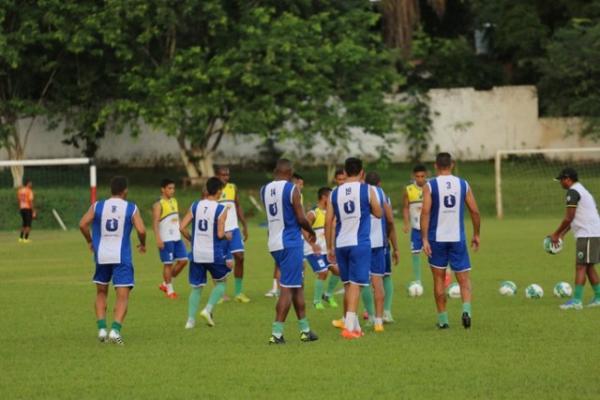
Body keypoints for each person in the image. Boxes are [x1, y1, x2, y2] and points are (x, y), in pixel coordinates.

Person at [79, 176, 146, 345]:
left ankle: (102, 328)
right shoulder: (131, 208)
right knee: (122, 296)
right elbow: (142, 230)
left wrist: (89, 241)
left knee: (101, 292)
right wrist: (142, 243)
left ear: (111, 190)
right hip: (121, 257)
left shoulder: (98, 206)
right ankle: (115, 330)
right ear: (125, 191)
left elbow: (82, 224)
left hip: (101, 255)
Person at [261, 159, 318, 344]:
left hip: (274, 242)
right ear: (290, 172)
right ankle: (276, 334)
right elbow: (301, 218)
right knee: (287, 288)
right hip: (290, 242)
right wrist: (311, 231)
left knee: (297, 285)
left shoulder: (265, 189)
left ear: (276, 171)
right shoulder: (292, 189)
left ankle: (305, 329)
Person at [421, 153, 480, 329]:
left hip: (436, 239)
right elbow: (475, 211)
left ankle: (443, 320)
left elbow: (425, 212)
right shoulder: (463, 184)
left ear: (435, 166)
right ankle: (466, 311)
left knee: (438, 280)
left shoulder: (430, 185)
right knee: (463, 278)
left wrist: (424, 238)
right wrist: (476, 234)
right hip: (457, 238)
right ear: (452, 165)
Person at [325, 157, 382, 339]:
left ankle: (355, 326)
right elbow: (379, 212)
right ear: (362, 172)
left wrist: (329, 247)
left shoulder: (334, 193)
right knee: (357, 284)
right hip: (359, 242)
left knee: (348, 284)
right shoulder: (367, 189)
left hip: (341, 243)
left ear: (345, 171)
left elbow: (328, 221)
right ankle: (349, 327)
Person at [181, 177, 232, 328]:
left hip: (196, 253)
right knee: (222, 282)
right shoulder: (221, 209)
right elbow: (220, 234)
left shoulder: (195, 205)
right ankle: (208, 309)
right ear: (218, 191)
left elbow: (182, 227)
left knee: (196, 287)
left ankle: (190, 321)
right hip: (213, 253)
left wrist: (192, 239)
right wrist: (227, 235)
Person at [549, 168, 600, 309]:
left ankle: (576, 301)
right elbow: (575, 218)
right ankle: (598, 297)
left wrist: (555, 234)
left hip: (587, 234)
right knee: (588, 266)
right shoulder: (580, 189)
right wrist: (562, 235)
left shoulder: (573, 192)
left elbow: (569, 217)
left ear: (567, 179)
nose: (560, 183)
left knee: (580, 266)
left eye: (561, 180)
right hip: (592, 233)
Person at [216, 166, 250, 303]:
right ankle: (220, 293)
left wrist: (245, 225)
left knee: (240, 257)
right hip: (219, 231)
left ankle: (238, 292)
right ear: (217, 175)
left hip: (234, 229)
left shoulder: (232, 188)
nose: (226, 177)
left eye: (227, 175)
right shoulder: (211, 189)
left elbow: (238, 205)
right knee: (219, 262)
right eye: (223, 175)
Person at [304, 187, 340, 310]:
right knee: (323, 272)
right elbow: (303, 228)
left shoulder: (331, 213)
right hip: (313, 251)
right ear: (324, 197)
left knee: (338, 271)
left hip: (327, 250)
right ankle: (316, 301)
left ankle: (328, 295)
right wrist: (312, 245)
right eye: (330, 196)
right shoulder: (313, 213)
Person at [152, 178, 188, 299]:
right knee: (168, 264)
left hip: (177, 238)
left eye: (173, 188)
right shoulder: (158, 204)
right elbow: (155, 223)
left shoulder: (174, 201)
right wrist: (158, 238)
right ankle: (170, 290)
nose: (172, 190)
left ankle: (164, 284)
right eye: (169, 188)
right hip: (166, 239)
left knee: (184, 261)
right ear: (163, 189)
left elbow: (177, 220)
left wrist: (184, 236)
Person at [17, 179, 35, 243]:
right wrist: (33, 211)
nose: (31, 184)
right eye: (30, 183)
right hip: (28, 208)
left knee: (24, 224)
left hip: (22, 208)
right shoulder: (29, 191)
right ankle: (26, 239)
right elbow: (30, 201)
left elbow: (19, 200)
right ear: (28, 183)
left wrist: (20, 207)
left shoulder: (20, 190)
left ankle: (20, 238)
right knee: (28, 224)